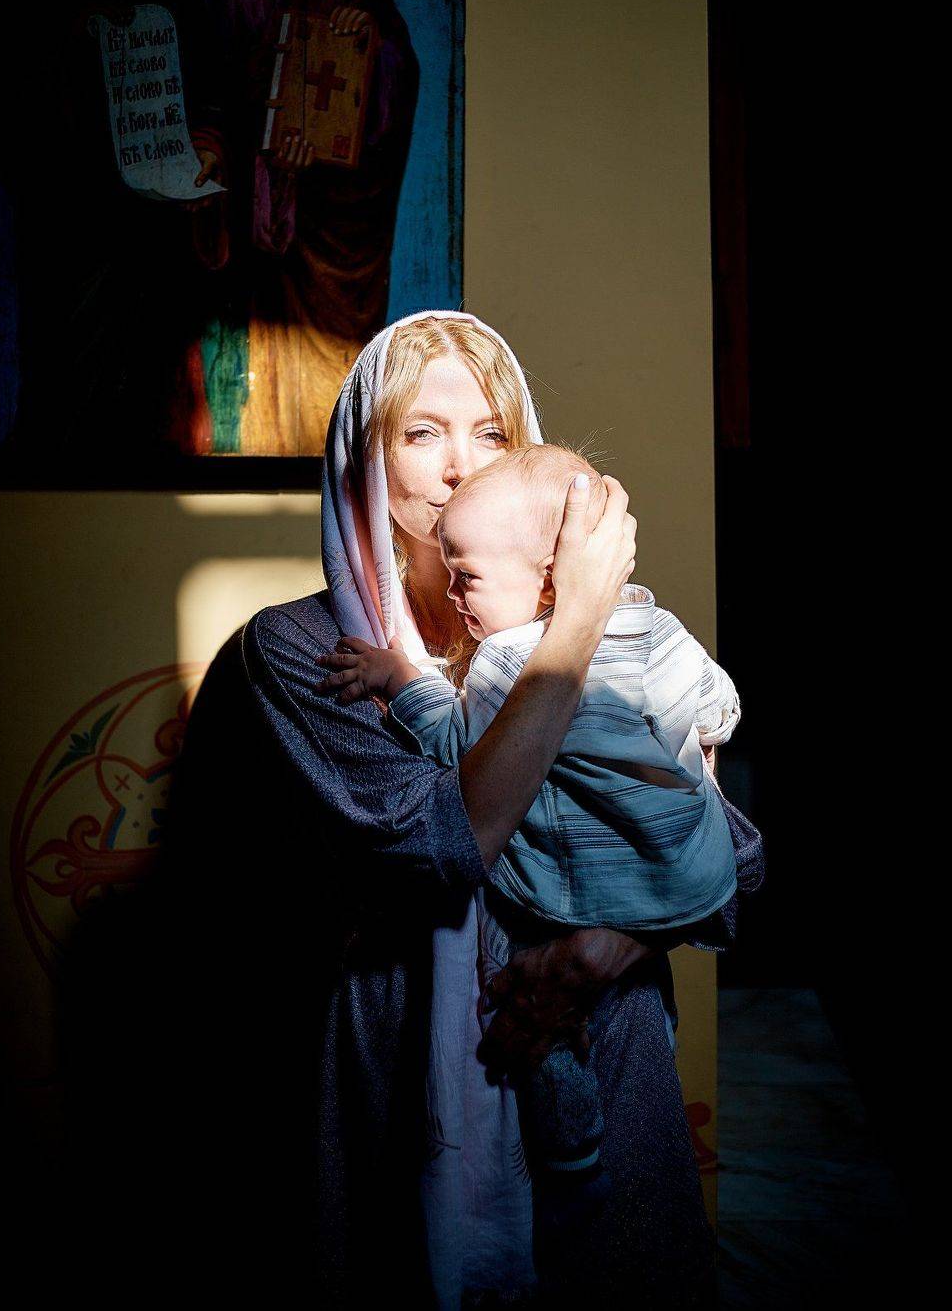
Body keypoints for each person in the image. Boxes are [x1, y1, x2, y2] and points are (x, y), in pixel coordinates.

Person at [168, 310, 756, 1308]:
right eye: (421, 432)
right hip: (413, 1065)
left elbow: (733, 853)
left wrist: (603, 949)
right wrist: (575, 622)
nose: (459, 466)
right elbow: (450, 844)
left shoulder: (626, 631)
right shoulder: (309, 653)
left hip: (600, 1037)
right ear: (366, 457)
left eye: (490, 432)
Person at [313, 441, 744, 1205]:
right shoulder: (658, 627)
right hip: (680, 879)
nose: (456, 593)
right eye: (422, 434)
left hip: (567, 899)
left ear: (549, 578)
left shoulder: (507, 661)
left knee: (520, 993)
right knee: (622, 1024)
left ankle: (570, 1146)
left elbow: (455, 743)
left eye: (470, 577)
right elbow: (717, 709)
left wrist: (401, 676)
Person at [172, 0, 419, 455]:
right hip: (238, 212)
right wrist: (211, 147)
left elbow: (397, 79)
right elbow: (188, 75)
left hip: (325, 225)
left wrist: (367, 50)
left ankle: (327, 472)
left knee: (325, 406)